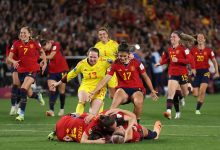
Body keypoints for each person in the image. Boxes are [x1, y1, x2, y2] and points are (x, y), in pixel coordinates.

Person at [89, 41, 158, 123]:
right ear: (117, 54)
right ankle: (107, 124)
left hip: (137, 89)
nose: (122, 58)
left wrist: (152, 90)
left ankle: (135, 124)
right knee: (113, 107)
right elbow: (105, 79)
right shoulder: (115, 64)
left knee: (138, 102)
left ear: (129, 54)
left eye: (124, 56)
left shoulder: (136, 62)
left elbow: (146, 77)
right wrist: (94, 91)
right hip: (123, 90)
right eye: (120, 56)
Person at [51, 47, 110, 118]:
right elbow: (71, 74)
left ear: (99, 57)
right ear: (87, 55)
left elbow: (117, 63)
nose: (92, 59)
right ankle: (76, 118)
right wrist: (58, 83)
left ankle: (97, 109)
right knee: (82, 100)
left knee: (94, 115)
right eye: (91, 57)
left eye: (95, 57)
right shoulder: (82, 64)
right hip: (86, 86)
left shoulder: (105, 62)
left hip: (100, 89)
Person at [7, 26, 47, 121]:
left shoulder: (35, 43)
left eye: (24, 33)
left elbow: (42, 53)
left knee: (23, 89)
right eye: (21, 33)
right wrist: (14, 62)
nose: (22, 34)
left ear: (29, 34)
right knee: (29, 94)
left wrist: (44, 63)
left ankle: (21, 114)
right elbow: (9, 57)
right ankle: (37, 96)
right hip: (21, 71)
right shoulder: (16, 44)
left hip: (32, 70)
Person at [155, 31, 195, 119]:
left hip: (183, 74)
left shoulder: (184, 49)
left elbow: (189, 60)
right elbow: (169, 59)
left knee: (185, 93)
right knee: (171, 93)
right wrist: (160, 63)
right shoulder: (169, 49)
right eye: (171, 37)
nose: (172, 38)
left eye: (174, 37)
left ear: (179, 39)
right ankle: (168, 111)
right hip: (173, 73)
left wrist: (179, 60)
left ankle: (189, 87)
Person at [190, 33, 219, 114]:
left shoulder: (209, 50)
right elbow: (189, 60)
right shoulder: (192, 50)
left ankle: (197, 109)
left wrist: (217, 72)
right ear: (197, 39)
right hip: (196, 73)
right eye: (198, 37)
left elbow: (214, 61)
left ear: (204, 40)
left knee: (202, 91)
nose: (200, 39)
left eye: (201, 37)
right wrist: (191, 69)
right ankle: (191, 88)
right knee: (195, 94)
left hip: (205, 72)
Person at [40, 39, 69, 116]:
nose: (45, 49)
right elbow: (45, 59)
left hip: (63, 70)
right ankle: (51, 110)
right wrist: (42, 62)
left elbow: (51, 56)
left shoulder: (56, 44)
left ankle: (62, 109)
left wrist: (42, 57)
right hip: (52, 72)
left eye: (45, 47)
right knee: (52, 89)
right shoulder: (45, 51)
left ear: (49, 43)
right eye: (44, 49)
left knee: (62, 91)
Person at [94, 27, 119, 99]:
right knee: (99, 92)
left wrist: (114, 61)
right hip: (100, 71)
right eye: (100, 34)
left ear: (107, 34)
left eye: (104, 34)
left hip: (111, 71)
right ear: (98, 36)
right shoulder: (97, 45)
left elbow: (120, 56)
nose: (102, 36)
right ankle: (98, 108)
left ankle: (114, 109)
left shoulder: (114, 44)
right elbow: (94, 57)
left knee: (112, 95)